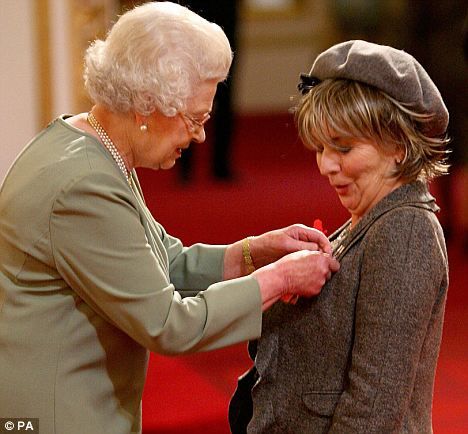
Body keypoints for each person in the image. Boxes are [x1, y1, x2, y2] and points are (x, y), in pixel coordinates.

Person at [0, 3, 339, 434]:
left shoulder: (93, 147)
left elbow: (164, 263)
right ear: (146, 105)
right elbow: (168, 324)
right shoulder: (83, 185)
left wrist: (254, 253)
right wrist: (281, 280)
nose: (200, 135)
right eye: (195, 118)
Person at [229, 40, 450, 433]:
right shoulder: (373, 218)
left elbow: (374, 408)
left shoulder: (406, 230)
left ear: (398, 145)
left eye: (344, 148)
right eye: (321, 147)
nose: (326, 165)